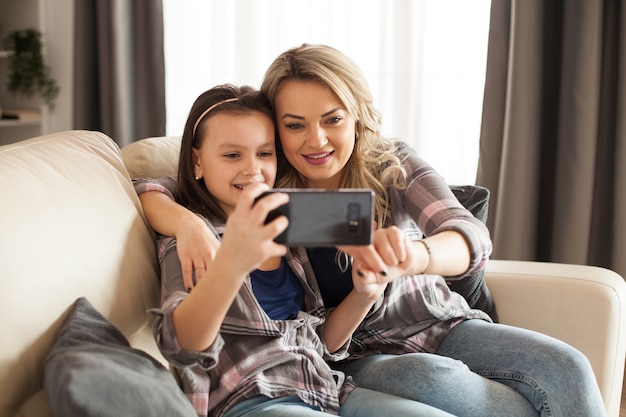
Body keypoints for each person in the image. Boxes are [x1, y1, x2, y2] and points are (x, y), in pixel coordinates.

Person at [136, 46, 607, 417]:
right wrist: (187, 222)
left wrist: (414, 257)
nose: (316, 141)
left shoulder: (389, 165)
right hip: (346, 355)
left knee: (567, 369)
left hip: (430, 322)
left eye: (332, 120)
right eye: (294, 125)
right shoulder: (270, 195)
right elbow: (158, 183)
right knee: (432, 382)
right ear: (277, 130)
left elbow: (467, 235)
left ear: (356, 116)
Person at [143, 83, 459, 417]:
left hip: (327, 388)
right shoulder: (190, 241)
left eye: (264, 153)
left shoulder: (288, 230)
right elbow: (183, 345)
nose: (252, 169)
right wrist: (230, 263)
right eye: (232, 155)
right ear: (197, 161)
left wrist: (366, 292)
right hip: (253, 398)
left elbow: (322, 343)